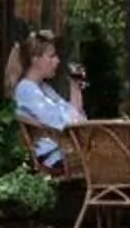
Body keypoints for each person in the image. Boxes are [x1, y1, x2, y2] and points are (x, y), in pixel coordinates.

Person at [6, 29, 86, 170]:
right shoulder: (27, 90)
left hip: (67, 151)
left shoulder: (44, 88)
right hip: (54, 158)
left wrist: (75, 87)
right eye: (52, 56)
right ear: (35, 59)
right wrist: (74, 116)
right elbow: (66, 123)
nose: (57, 60)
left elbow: (76, 117)